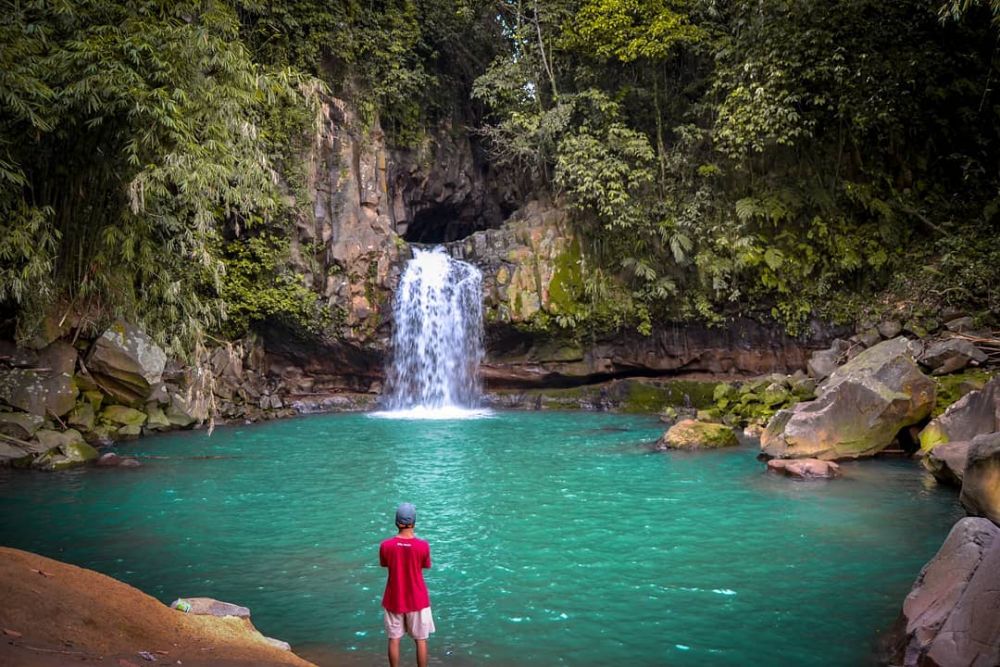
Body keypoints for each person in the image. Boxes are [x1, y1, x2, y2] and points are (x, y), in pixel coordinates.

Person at [379, 502, 434, 667]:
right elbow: (425, 565)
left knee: (394, 639)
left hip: (393, 599)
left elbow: (384, 564)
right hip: (418, 599)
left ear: (396, 522)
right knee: (421, 640)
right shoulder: (423, 546)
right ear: (414, 522)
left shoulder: (385, 546)